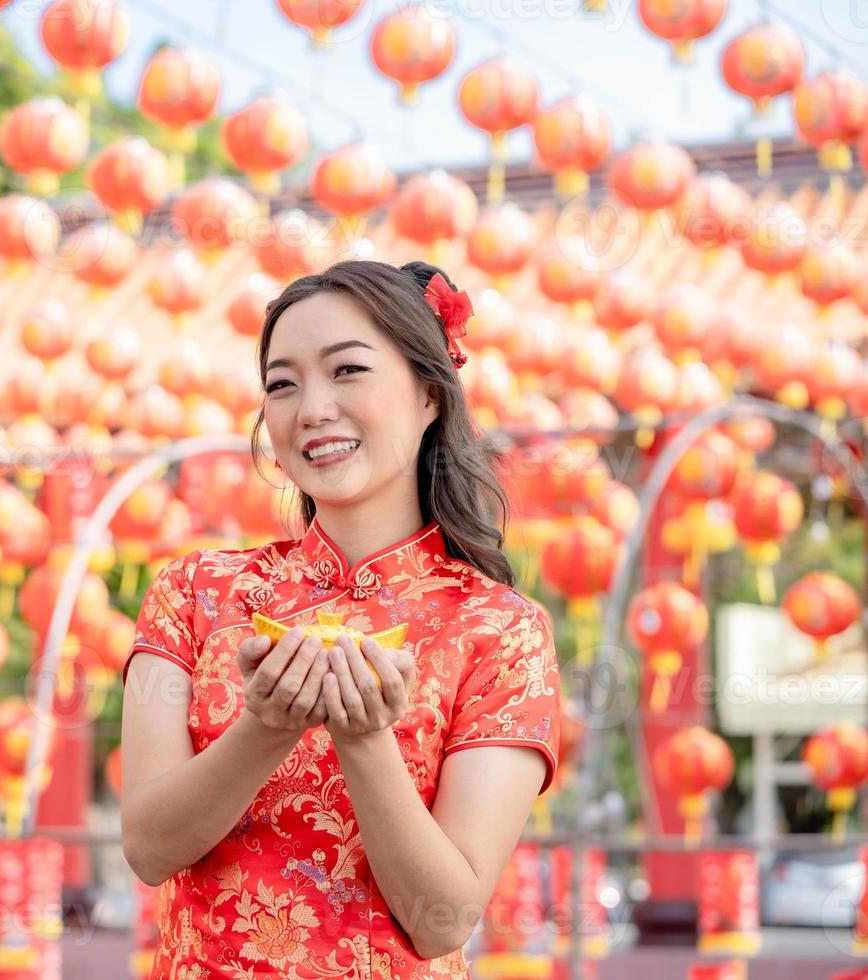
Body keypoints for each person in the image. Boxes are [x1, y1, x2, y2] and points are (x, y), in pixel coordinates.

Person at [119, 259, 561, 978]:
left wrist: (364, 739)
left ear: (429, 394)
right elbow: (147, 848)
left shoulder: (501, 631)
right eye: (283, 384)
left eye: (347, 371)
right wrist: (265, 728)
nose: (312, 408)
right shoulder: (195, 591)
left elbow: (442, 918)